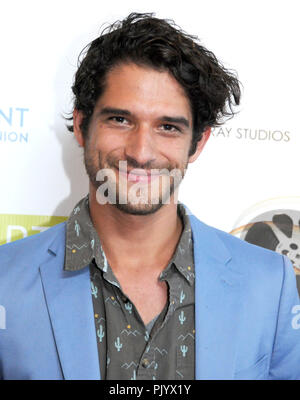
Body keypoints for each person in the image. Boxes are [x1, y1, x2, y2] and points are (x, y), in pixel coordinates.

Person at [0, 12, 299, 381]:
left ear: (197, 143)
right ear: (81, 126)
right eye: (120, 120)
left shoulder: (268, 282)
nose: (141, 152)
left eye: (168, 127)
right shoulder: (5, 280)